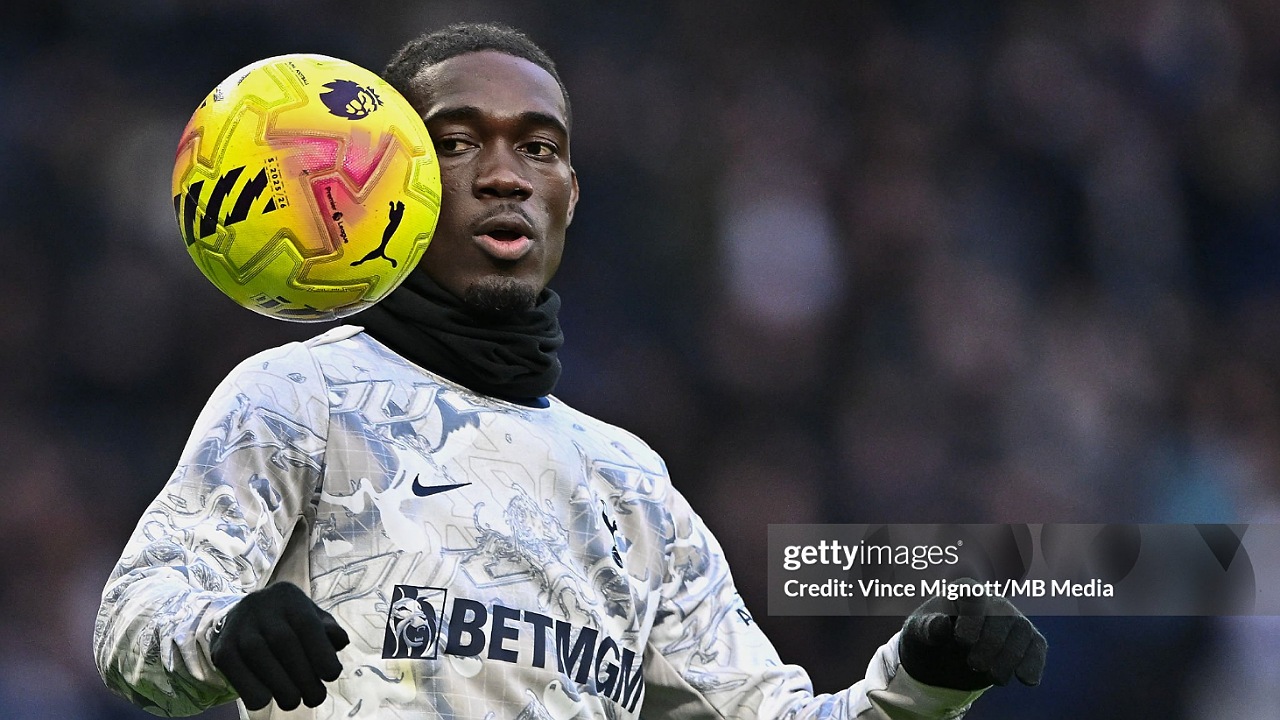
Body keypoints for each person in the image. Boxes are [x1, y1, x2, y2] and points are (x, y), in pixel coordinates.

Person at [94, 22, 1046, 720]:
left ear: (571, 196)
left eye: (539, 147)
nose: (506, 175)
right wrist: (223, 629)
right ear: (388, 177)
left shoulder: (629, 483)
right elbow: (135, 621)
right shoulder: (298, 399)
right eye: (457, 142)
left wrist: (923, 679)